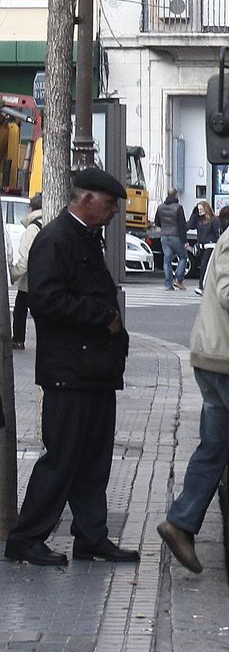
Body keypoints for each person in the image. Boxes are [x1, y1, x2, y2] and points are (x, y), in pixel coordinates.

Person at [3, 169, 136, 566]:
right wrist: (100, 315)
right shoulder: (57, 238)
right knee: (61, 458)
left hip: (93, 369)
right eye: (110, 204)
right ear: (87, 199)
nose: (114, 212)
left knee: (94, 459)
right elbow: (45, 301)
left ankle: (91, 535)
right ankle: (26, 537)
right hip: (69, 370)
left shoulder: (84, 237)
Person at [156, 223, 229, 573]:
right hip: (223, 357)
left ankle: (183, 521)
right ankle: (182, 521)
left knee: (216, 444)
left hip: (217, 355)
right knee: (223, 443)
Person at [8, 192, 43, 350]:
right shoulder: (49, 223)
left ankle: (18, 340)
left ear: (30, 209)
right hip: (45, 277)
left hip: (30, 280)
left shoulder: (32, 228)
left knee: (20, 310)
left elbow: (25, 259)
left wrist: (13, 274)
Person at [155, 187, 189, 290]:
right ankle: (178, 279)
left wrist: (164, 228)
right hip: (176, 236)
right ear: (176, 195)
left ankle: (168, 284)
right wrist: (185, 241)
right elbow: (182, 225)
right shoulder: (178, 208)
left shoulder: (160, 207)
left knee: (167, 260)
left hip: (164, 236)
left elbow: (157, 221)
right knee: (183, 257)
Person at [189, 200, 220, 296]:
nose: (200, 211)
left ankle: (202, 287)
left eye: (201, 209)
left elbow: (217, 233)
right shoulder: (199, 220)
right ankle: (208, 288)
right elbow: (190, 225)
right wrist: (194, 213)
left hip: (211, 245)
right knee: (205, 267)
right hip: (202, 246)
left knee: (204, 266)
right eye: (198, 209)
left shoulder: (214, 220)